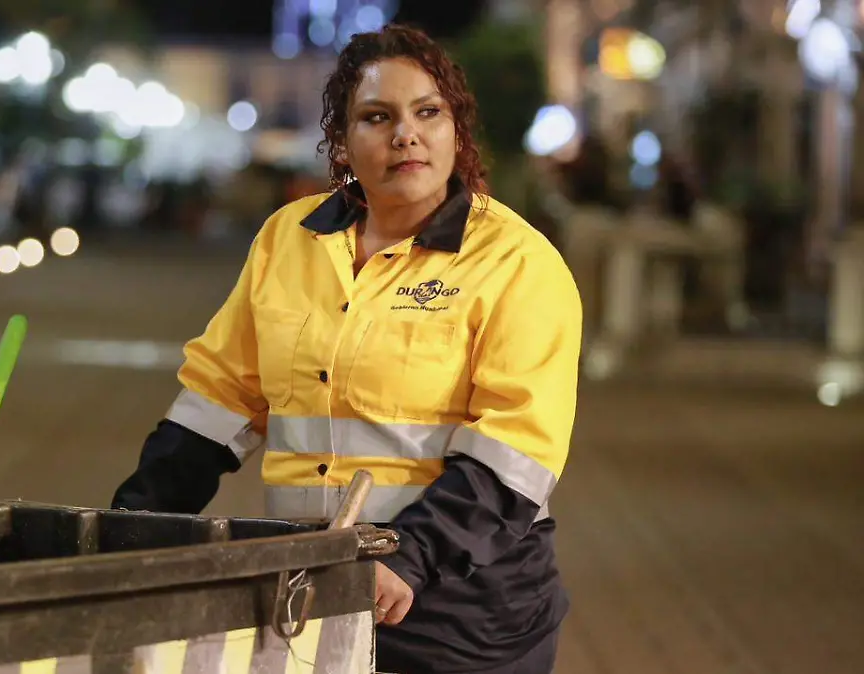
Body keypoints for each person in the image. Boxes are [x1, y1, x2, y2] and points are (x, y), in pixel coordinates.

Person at [110, 24, 582, 674]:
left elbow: (517, 447)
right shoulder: (289, 239)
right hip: (308, 594)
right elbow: (220, 401)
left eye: (428, 113)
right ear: (341, 140)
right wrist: (131, 525)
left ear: (457, 132)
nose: (405, 135)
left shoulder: (515, 262)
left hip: (458, 609)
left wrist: (408, 558)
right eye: (377, 117)